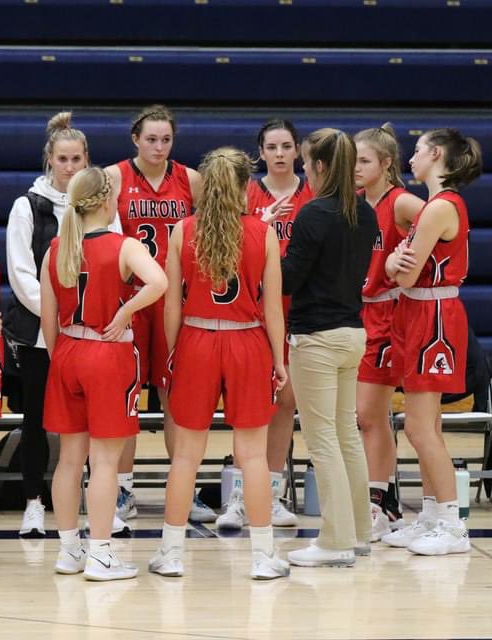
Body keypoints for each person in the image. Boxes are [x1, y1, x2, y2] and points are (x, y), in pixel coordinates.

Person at [149, 148, 289, 580]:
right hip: (248, 341)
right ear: (247, 186)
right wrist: (279, 359)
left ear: (205, 185)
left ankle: (171, 553)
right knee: (253, 457)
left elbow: (170, 306)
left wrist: (176, 351)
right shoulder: (262, 233)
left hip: (196, 338)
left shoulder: (181, 230)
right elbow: (273, 309)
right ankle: (264, 556)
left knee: (186, 458)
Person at [41, 166, 166, 581]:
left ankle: (68, 551)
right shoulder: (124, 246)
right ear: (109, 200)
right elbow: (159, 283)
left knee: (68, 462)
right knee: (106, 463)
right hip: (107, 352)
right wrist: (127, 310)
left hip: (66, 351)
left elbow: (48, 317)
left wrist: (62, 355)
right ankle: (100, 554)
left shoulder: (57, 247)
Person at [5, 112, 119, 538]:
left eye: (77, 159)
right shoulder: (27, 206)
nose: (70, 167)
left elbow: (116, 264)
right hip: (42, 332)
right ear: (49, 161)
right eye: (63, 159)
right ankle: (33, 502)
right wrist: (60, 316)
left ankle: (101, 506)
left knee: (96, 423)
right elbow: (20, 274)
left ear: (87, 160)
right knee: (36, 419)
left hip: (90, 335)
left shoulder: (104, 206)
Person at [103, 105, 212, 525]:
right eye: (151, 139)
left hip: (176, 302)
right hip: (131, 300)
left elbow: (207, 234)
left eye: (166, 139)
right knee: (124, 397)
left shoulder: (191, 179)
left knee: (176, 397)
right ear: (135, 139)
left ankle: (181, 488)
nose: (159, 146)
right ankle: (121, 490)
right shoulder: (114, 177)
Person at [280, 129, 378, 568]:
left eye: (305, 163)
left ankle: (336, 541)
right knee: (345, 436)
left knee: (324, 441)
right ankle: (359, 533)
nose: (303, 169)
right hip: (353, 334)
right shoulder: (366, 212)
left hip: (316, 337)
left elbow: (286, 280)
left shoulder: (312, 215)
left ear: (320, 166)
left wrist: (265, 244)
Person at [382, 129, 483, 556]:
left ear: (436, 154)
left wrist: (394, 263)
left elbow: (402, 272)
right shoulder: (436, 207)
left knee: (421, 428)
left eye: (418, 150)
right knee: (428, 426)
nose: (412, 157)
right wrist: (393, 262)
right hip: (417, 310)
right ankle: (429, 515)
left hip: (434, 316)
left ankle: (452, 524)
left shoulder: (440, 207)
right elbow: (396, 265)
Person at [218, 118, 312, 531]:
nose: (278, 154)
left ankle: (271, 494)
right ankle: (242, 496)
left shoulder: (312, 195)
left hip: (301, 311)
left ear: (297, 152)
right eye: (271, 147)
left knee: (286, 403)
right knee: (251, 410)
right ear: (260, 152)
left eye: (286, 146)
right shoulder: (248, 194)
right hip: (252, 314)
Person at [353, 124, 425, 541]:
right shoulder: (360, 203)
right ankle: (383, 501)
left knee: (370, 415)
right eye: (355, 160)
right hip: (360, 314)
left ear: (385, 163)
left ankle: (378, 503)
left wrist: (407, 268)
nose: (356, 167)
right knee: (364, 416)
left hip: (391, 314)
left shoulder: (402, 203)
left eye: (364, 160)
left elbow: (445, 229)